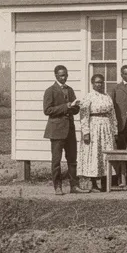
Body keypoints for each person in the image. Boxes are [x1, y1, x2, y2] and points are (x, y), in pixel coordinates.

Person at [76, 73, 117, 193]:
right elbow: (84, 116)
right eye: (97, 82)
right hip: (93, 127)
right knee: (94, 154)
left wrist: (115, 130)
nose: (99, 84)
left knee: (105, 154)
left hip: (106, 128)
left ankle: (105, 183)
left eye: (101, 82)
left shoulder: (107, 97)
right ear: (92, 84)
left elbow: (112, 114)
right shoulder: (88, 97)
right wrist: (86, 132)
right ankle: (93, 184)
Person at [42, 65, 79, 194]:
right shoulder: (50, 91)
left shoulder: (70, 90)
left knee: (72, 159)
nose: (64, 77)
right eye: (61, 75)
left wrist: (75, 106)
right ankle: (58, 187)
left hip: (70, 130)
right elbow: (47, 110)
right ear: (56, 76)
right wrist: (65, 106)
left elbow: (74, 110)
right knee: (56, 161)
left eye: (66, 75)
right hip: (56, 131)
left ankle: (74, 186)